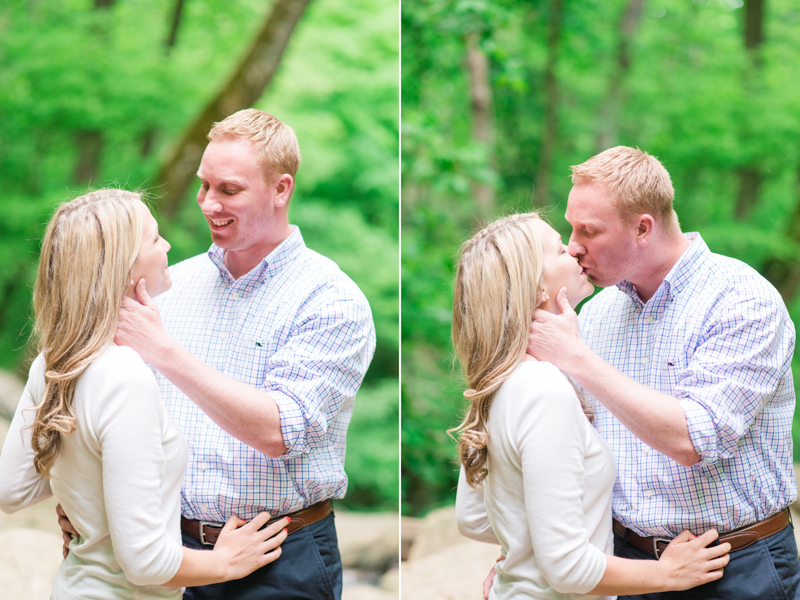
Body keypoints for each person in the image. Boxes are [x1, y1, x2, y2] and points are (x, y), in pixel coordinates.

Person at [65, 110, 375, 600]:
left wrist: (164, 352)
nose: (208, 203)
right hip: (168, 555)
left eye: (228, 190)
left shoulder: (330, 300)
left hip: (280, 558)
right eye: (203, 185)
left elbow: (280, 431)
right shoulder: (170, 284)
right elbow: (107, 405)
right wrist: (82, 499)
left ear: (281, 190)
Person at [527, 146, 799, 599]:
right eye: (572, 229)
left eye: (589, 231)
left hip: (736, 568)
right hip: (625, 562)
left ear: (642, 228)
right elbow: (565, 441)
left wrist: (576, 358)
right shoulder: (597, 314)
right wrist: (525, 553)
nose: (574, 245)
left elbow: (694, 439)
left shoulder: (742, 300)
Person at [0, 189, 289, 599]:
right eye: (154, 238)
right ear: (123, 266)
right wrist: (225, 563)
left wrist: (88, 499)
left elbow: (12, 489)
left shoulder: (53, 361)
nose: (168, 244)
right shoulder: (124, 376)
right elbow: (145, 562)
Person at [452, 212, 731, 599]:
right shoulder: (544, 389)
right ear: (536, 290)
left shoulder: (504, 379)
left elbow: (473, 518)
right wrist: (668, 574)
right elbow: (567, 567)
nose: (575, 251)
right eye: (559, 249)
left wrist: (520, 557)